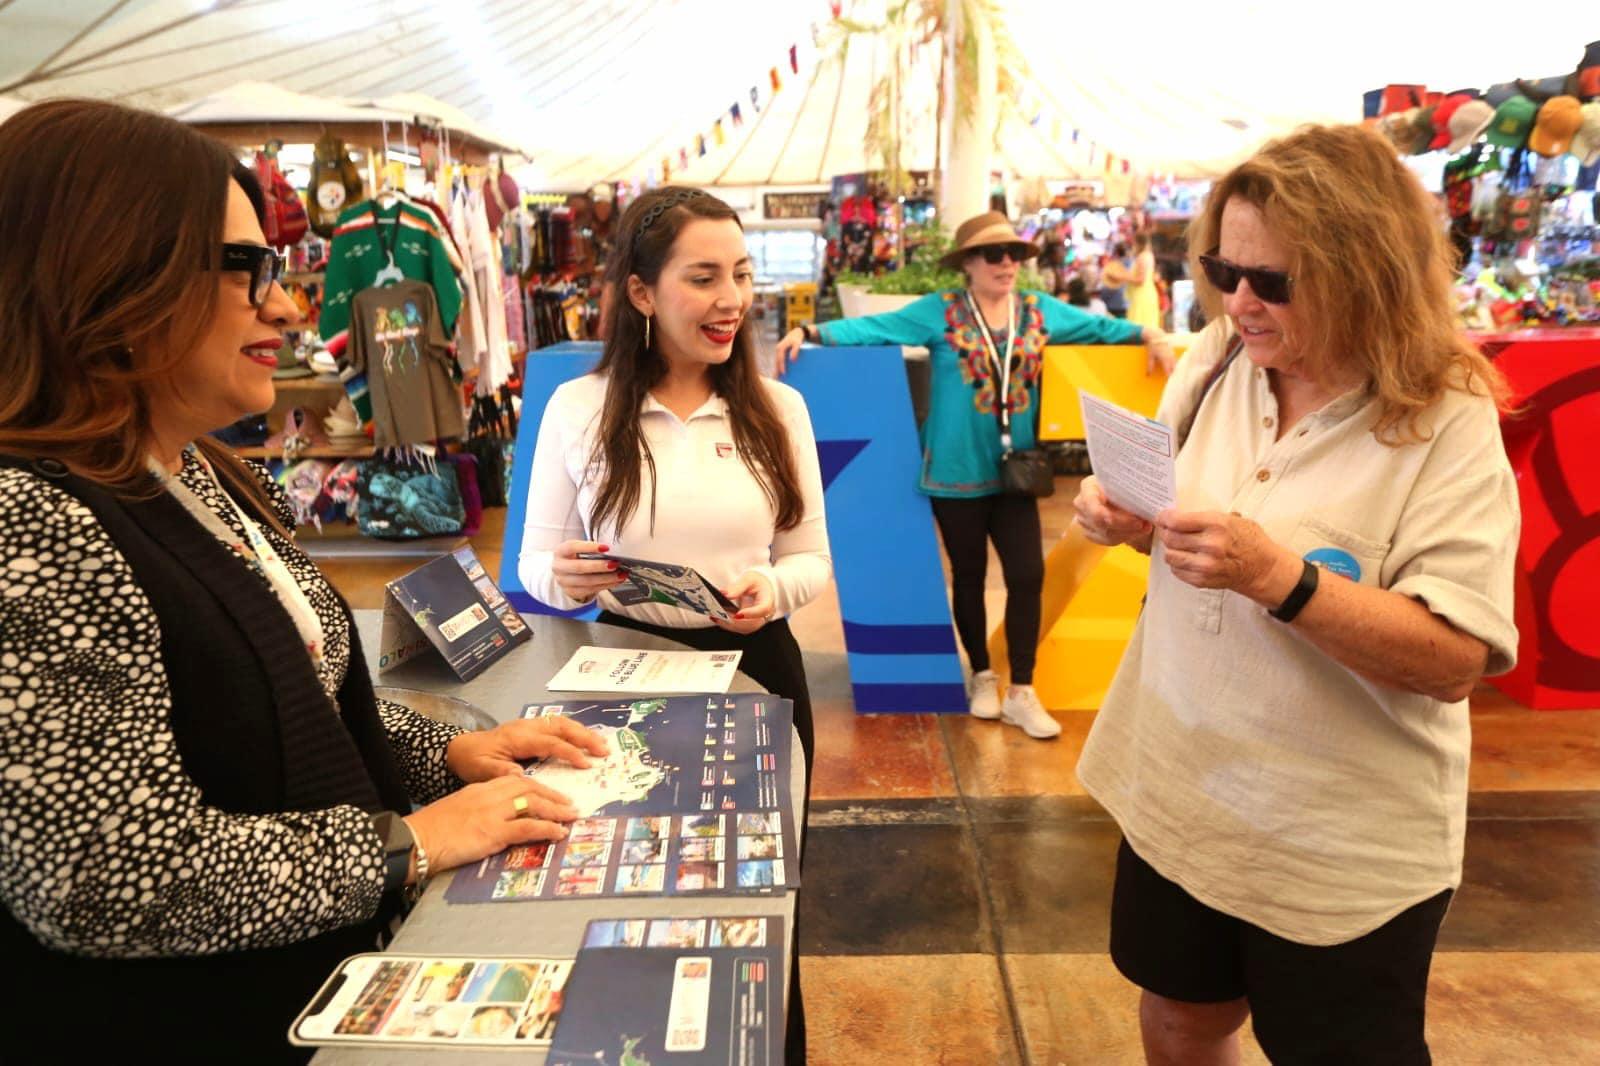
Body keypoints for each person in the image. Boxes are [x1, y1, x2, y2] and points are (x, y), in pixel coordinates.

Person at [0, 100, 608, 1060]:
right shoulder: (30, 521)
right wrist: (413, 842)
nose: (284, 307)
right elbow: (104, 878)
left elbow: (284, 709)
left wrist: (446, 753)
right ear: (108, 272)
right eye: (245, 268)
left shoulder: (186, 470)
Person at [1073, 124, 1519, 1065]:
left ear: (1366, 275)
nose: (1239, 301)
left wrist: (1277, 575)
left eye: (1272, 281)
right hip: (1180, 791)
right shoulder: (1217, 360)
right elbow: (1172, 512)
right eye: (1222, 270)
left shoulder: (1445, 418)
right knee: (1180, 1019)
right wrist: (1128, 517)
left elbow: (1454, 659)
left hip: (1336, 842)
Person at [516, 185, 829, 1061]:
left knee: (758, 903)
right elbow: (535, 563)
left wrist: (773, 589)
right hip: (622, 679)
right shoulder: (580, 407)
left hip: (757, 674)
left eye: (741, 275)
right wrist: (565, 577)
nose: (731, 300)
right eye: (703, 277)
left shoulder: (779, 410)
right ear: (642, 292)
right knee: (627, 894)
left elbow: (811, 558)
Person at [775, 211, 1174, 740]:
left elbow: (1101, 327)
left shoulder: (1038, 311)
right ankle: (983, 675)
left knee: (1026, 576)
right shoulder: (941, 311)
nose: (1007, 263)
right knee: (967, 575)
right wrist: (810, 329)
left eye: (1014, 254)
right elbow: (876, 327)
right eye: (993, 254)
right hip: (954, 473)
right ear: (968, 263)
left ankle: (1022, 689)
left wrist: (1150, 332)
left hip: (1015, 475)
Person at [1124, 232, 1162, 331]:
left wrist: (1123, 277)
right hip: (1147, 294)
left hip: (1141, 296)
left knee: (1139, 328)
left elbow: (1141, 280)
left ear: (1138, 243)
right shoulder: (1149, 255)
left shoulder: (1142, 257)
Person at [1098, 240, 1133, 318]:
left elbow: (1106, 286)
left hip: (1112, 303)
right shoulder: (1133, 264)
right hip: (1127, 303)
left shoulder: (1112, 266)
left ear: (1116, 252)